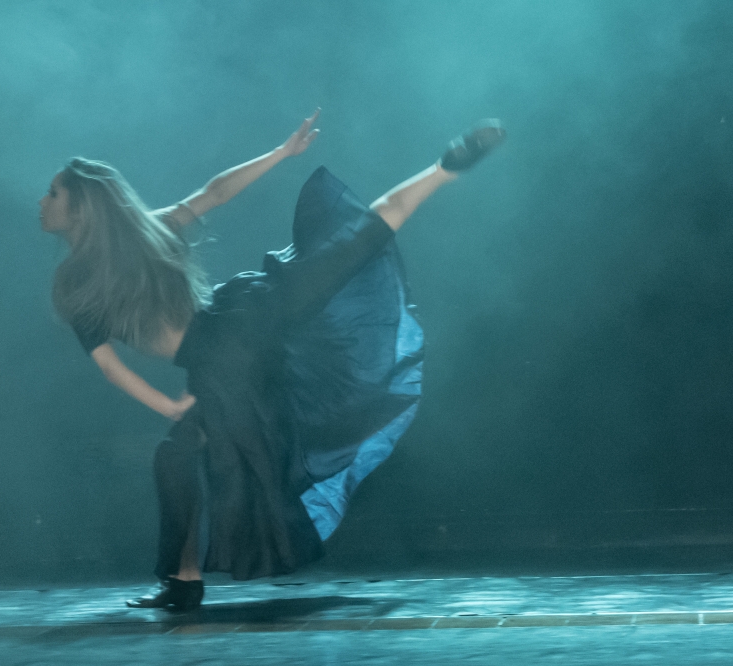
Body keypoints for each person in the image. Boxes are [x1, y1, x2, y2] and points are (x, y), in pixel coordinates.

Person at [39, 111, 505, 611]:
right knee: (353, 240)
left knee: (179, 456)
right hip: (248, 312)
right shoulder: (146, 232)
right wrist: (282, 153)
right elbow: (214, 193)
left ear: (80, 209)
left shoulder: (76, 281)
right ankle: (444, 169)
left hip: (220, 356)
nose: (43, 202)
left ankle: (183, 578)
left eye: (53, 193)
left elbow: (110, 367)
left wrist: (168, 406)